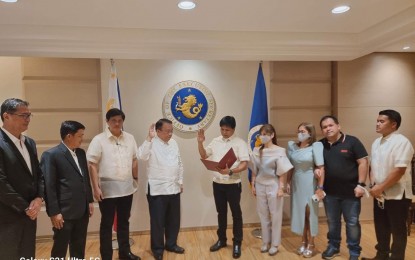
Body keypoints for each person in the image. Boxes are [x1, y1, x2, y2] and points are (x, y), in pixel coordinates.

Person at [87, 108, 140, 260]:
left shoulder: (130, 138)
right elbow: (92, 164)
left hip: (126, 188)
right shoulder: (99, 139)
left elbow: (135, 159)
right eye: (113, 121)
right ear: (107, 122)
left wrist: (136, 178)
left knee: (124, 222)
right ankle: (106, 256)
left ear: (123, 122)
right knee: (107, 224)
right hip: (107, 189)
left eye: (120, 121)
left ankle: (125, 253)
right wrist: (95, 187)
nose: (117, 123)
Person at [363, 110, 414, 260]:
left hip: (398, 194)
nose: (377, 124)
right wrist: (373, 185)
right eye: (377, 120)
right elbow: (373, 165)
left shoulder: (402, 142)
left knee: (398, 230)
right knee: (381, 227)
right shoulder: (376, 142)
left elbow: (399, 170)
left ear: (393, 124)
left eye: (381, 121)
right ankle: (382, 255)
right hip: (379, 193)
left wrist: (381, 187)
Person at [197, 115, 249, 259]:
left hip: (233, 184)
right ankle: (222, 240)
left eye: (227, 130)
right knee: (221, 213)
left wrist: (231, 171)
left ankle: (237, 242)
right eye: (222, 129)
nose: (224, 132)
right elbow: (203, 155)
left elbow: (245, 164)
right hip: (218, 184)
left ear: (233, 129)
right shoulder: (215, 141)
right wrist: (200, 142)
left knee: (236, 214)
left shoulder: (240, 143)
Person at [40, 121, 94, 258]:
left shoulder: (81, 153)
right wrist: (54, 212)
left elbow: (85, 179)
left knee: (79, 245)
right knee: (60, 247)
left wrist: (89, 201)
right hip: (63, 212)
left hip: (82, 209)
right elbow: (49, 185)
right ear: (69, 136)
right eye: (80, 136)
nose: (82, 139)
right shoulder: (51, 155)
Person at [0, 98, 44, 259]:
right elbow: (1, 183)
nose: (27, 119)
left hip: (30, 213)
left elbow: (39, 175)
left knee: (27, 254)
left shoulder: (30, 143)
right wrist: (26, 207)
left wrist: (39, 199)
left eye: (29, 115)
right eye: (23, 115)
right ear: (6, 116)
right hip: (7, 215)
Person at [319, 115, 368, 260]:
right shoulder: (320, 145)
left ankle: (354, 252)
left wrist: (361, 185)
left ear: (338, 126)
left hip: (351, 193)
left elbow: (363, 163)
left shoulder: (352, 141)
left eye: (330, 125)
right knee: (332, 222)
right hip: (330, 194)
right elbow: (318, 166)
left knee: (352, 223)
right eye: (324, 127)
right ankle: (333, 247)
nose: (328, 129)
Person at [137, 119, 184, 260]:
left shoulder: (174, 143)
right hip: (157, 189)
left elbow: (179, 163)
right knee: (158, 221)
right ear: (158, 131)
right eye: (167, 131)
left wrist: (180, 181)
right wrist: (148, 138)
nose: (170, 133)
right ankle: (157, 249)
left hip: (174, 188)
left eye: (172, 131)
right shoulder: (151, 143)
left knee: (174, 220)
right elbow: (141, 156)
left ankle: (171, 244)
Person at [250, 124, 293, 256]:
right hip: (260, 184)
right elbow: (254, 169)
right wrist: (253, 184)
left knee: (275, 215)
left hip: (274, 185)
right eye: (261, 134)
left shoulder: (280, 151)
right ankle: (265, 241)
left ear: (272, 135)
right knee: (263, 214)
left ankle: (275, 244)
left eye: (265, 134)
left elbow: (283, 172)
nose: (262, 137)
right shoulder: (257, 150)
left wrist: (281, 188)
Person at [286, 122, 324, 258]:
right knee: (300, 214)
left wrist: (320, 187)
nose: (299, 134)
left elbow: (321, 168)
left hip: (310, 182)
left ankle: (312, 243)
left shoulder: (316, 146)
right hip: (296, 182)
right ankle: (303, 240)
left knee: (310, 214)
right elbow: (290, 167)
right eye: (298, 131)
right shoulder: (292, 146)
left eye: (303, 131)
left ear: (310, 133)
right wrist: (288, 182)